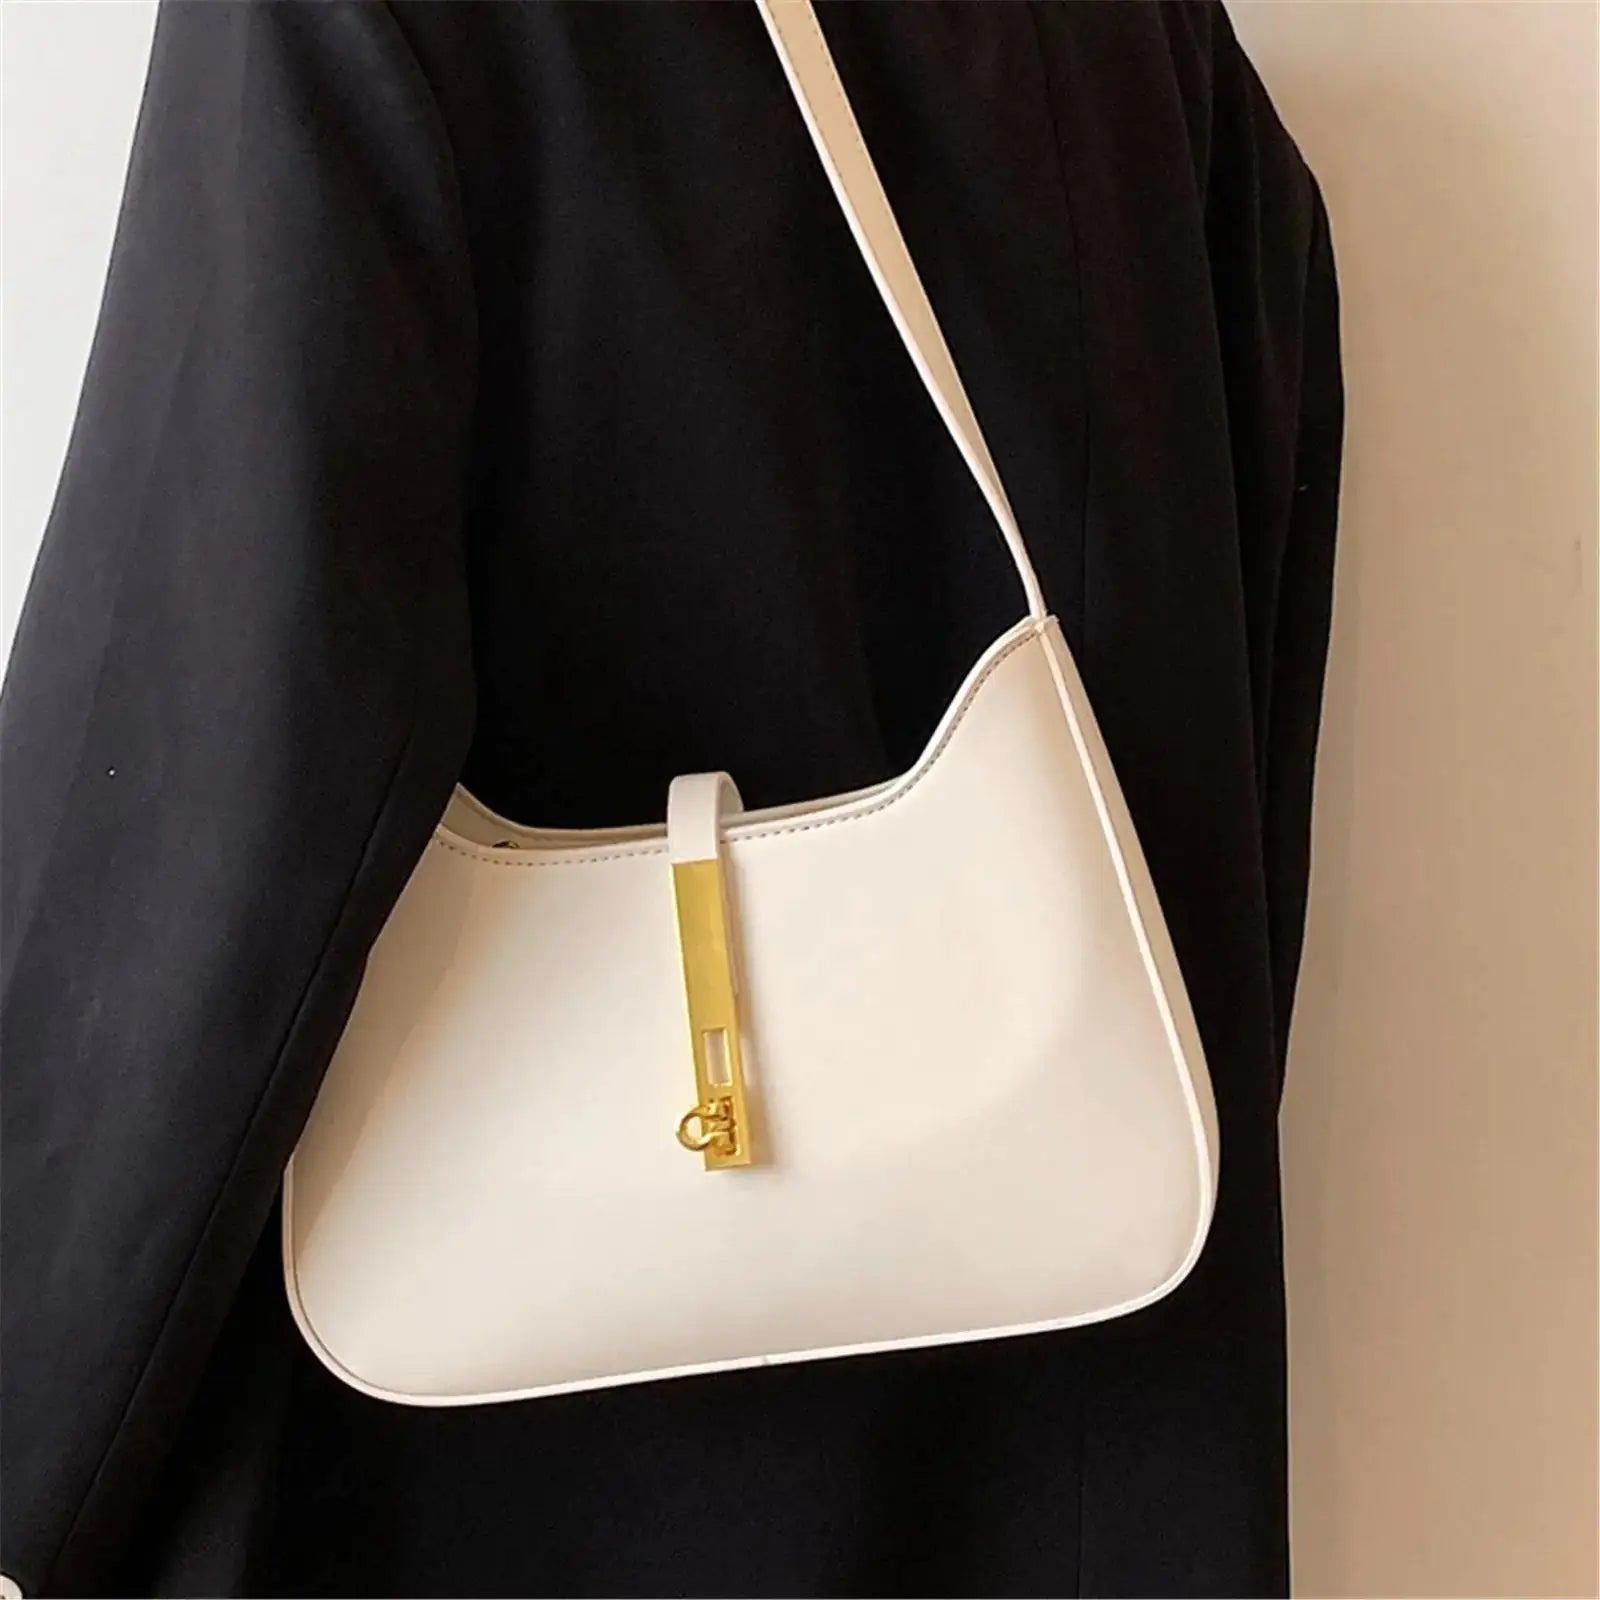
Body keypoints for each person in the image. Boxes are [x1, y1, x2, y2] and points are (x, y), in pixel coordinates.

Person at [0, 4, 1342, 1596]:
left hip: (498, 1475)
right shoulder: (1160, 51)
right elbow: (1218, 821)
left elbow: (201, 766)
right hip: (1079, 1434)